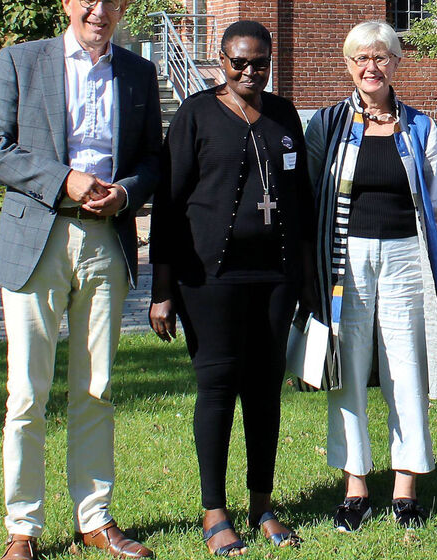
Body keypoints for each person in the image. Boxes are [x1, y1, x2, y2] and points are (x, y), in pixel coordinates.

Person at [0, 0, 160, 558]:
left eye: (108, 0)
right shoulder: (21, 60)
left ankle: (95, 518)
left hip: (106, 241)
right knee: (26, 393)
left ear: (122, 7)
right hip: (38, 237)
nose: (96, 9)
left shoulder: (139, 71)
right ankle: (23, 529)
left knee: (96, 388)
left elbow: (154, 158)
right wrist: (65, 181)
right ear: (65, 4)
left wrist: (126, 192)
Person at [148, 20, 314, 555]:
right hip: (209, 278)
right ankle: (214, 510)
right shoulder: (196, 114)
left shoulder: (284, 115)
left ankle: (262, 504)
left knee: (265, 391)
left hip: (274, 278)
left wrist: (308, 282)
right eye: (238, 62)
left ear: (270, 61)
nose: (248, 71)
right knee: (218, 388)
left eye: (258, 62)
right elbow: (169, 208)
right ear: (222, 60)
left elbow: (302, 202)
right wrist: (163, 288)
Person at [304, 20, 437, 532]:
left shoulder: (419, 126)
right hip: (344, 263)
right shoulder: (327, 124)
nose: (371, 68)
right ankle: (354, 486)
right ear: (348, 65)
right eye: (360, 59)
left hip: (407, 259)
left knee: (405, 372)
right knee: (346, 370)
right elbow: (309, 205)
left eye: (381, 58)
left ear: (396, 62)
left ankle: (406, 486)